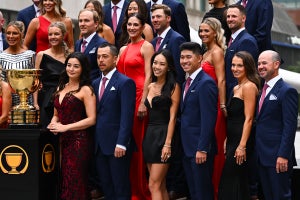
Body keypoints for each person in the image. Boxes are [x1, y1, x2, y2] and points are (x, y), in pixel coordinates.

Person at [47, 52, 96, 200]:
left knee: (76, 180)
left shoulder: (86, 90)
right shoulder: (60, 87)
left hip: (79, 141)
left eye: (76, 66)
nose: (71, 69)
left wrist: (65, 127)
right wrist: (54, 122)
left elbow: (92, 119)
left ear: (82, 69)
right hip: (63, 141)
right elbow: (56, 114)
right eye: (69, 65)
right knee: (65, 179)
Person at [117, 13, 154, 200]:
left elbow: (149, 75)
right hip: (124, 98)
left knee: (138, 145)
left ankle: (140, 190)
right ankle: (129, 188)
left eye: (135, 25)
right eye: (129, 24)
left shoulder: (147, 46)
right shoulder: (123, 48)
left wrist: (143, 102)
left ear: (142, 27)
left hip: (139, 95)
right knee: (125, 142)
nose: (131, 27)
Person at [92, 43, 136, 200]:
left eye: (105, 56)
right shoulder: (95, 83)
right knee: (107, 187)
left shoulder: (125, 83)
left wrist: (122, 143)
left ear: (115, 59)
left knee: (120, 187)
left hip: (117, 145)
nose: (101, 60)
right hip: (99, 145)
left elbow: (127, 115)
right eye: (98, 57)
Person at [256, 50, 298, 200]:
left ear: (276, 64)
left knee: (280, 196)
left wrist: (283, 155)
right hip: (262, 156)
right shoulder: (263, 90)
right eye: (259, 63)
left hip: (278, 158)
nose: (260, 66)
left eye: (264, 63)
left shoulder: (287, 91)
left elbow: (290, 126)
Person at [218, 51, 260, 200]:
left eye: (239, 66)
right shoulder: (236, 87)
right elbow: (233, 118)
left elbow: (249, 119)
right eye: (233, 65)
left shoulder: (249, 87)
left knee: (233, 182)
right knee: (232, 182)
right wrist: (227, 140)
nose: (235, 68)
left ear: (247, 67)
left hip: (241, 142)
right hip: (232, 141)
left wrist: (242, 146)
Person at [179, 42, 218, 200]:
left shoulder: (206, 83)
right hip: (187, 147)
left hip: (200, 150)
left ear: (200, 58)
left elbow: (209, 119)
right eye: (182, 57)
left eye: (189, 57)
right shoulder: (186, 83)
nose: (184, 61)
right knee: (194, 192)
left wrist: (202, 148)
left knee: (203, 193)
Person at [143, 49, 180, 199]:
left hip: (164, 135)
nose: (157, 66)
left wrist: (168, 144)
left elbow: (173, 118)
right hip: (150, 136)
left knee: (153, 184)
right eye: (155, 63)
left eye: (162, 64)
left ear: (169, 67)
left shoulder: (173, 87)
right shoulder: (150, 86)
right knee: (160, 184)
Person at [198, 17, 226, 200]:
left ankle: (216, 192)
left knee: (214, 149)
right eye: (201, 31)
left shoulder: (216, 52)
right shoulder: (205, 52)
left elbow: (222, 79)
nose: (202, 34)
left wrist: (222, 104)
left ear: (215, 32)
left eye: (206, 31)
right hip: (203, 104)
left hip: (215, 105)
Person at [34, 21, 70, 128]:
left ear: (63, 35)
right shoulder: (41, 55)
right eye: (50, 34)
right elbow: (35, 81)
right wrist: (36, 104)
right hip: (45, 99)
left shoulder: (70, 56)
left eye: (56, 34)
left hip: (63, 98)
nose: (53, 37)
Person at [225, 4, 259, 102]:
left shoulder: (246, 41)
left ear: (243, 18)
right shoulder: (232, 40)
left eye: (234, 16)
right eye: (228, 16)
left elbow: (246, 74)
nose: (230, 19)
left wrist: (233, 98)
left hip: (239, 99)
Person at [0, 21, 35, 107]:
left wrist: (35, 104)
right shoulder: (1, 57)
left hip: (27, 105)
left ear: (22, 35)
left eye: (14, 33)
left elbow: (35, 82)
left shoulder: (31, 55)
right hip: (6, 105)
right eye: (8, 33)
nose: (11, 36)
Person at [151, 4, 186, 85]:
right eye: (153, 17)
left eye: (158, 16)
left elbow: (179, 71)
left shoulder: (176, 39)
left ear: (168, 18)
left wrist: (175, 92)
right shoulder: (153, 42)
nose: (155, 20)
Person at [75, 9, 107, 81]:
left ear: (96, 24)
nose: (82, 24)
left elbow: (103, 71)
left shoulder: (102, 44)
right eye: (80, 21)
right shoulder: (78, 43)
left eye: (86, 21)